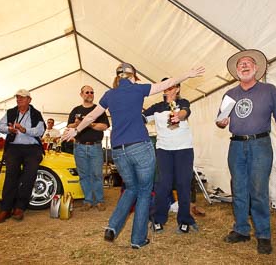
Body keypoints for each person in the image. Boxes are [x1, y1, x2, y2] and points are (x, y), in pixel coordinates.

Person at [62, 63, 205, 249]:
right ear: (133, 76)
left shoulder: (109, 95)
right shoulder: (139, 89)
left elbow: (90, 117)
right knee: (144, 191)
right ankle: (137, 239)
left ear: (118, 77)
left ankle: (113, 226)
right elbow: (166, 83)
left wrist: (75, 132)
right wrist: (188, 73)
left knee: (131, 189)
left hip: (118, 150)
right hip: (139, 147)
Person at [215, 49, 276, 254]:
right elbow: (221, 121)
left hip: (260, 144)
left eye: (249, 63)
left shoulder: (269, 90)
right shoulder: (229, 94)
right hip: (236, 146)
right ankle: (241, 230)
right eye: (241, 64)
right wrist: (222, 122)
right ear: (236, 71)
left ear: (256, 68)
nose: (245, 66)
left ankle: (263, 235)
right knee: (239, 189)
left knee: (258, 191)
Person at [142, 78, 197, 233]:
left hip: (184, 149)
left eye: (171, 85)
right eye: (165, 86)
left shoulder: (184, 102)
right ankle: (158, 218)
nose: (167, 88)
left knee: (183, 184)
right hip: (163, 150)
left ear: (177, 89)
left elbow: (185, 111)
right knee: (163, 185)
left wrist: (179, 116)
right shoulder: (156, 107)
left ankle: (185, 220)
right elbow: (142, 119)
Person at [0, 89, 46, 224]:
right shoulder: (11, 112)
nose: (19, 100)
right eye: (17, 98)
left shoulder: (36, 114)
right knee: (11, 175)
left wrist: (25, 130)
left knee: (29, 176)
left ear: (29, 100)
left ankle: (20, 207)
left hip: (32, 148)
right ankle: (5, 209)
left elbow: (40, 131)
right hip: (14, 147)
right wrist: (9, 129)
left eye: (22, 98)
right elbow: (0, 126)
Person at [67, 85, 110, 211]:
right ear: (81, 94)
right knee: (84, 175)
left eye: (92, 92)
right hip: (79, 147)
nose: (90, 94)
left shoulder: (99, 109)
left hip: (95, 147)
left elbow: (104, 126)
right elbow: (69, 126)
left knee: (97, 174)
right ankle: (88, 200)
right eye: (87, 92)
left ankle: (100, 200)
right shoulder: (75, 110)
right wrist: (76, 124)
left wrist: (88, 123)